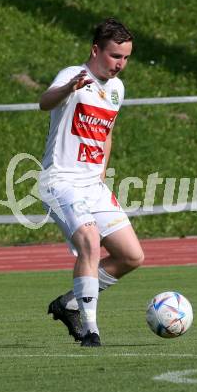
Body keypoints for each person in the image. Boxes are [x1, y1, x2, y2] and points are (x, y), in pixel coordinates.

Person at [38, 18, 144, 347]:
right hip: (60, 180)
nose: (120, 64)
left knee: (131, 256)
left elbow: (107, 132)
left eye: (125, 58)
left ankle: (70, 304)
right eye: (115, 56)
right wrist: (68, 89)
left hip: (91, 184)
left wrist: (102, 171)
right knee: (89, 240)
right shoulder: (73, 76)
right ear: (95, 50)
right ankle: (90, 329)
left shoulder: (116, 89)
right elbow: (44, 102)